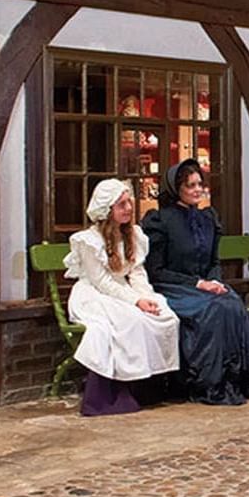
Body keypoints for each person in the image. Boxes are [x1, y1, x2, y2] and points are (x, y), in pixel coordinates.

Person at [143, 159, 249, 406]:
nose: (198, 190)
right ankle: (209, 382)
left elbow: (213, 261)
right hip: (172, 287)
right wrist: (198, 284)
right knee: (213, 308)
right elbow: (156, 271)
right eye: (191, 186)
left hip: (204, 286)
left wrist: (214, 281)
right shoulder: (160, 221)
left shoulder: (208, 218)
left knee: (231, 302)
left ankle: (241, 378)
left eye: (200, 184)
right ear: (177, 189)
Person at [66, 178, 180, 416]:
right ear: (107, 209)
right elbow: (102, 282)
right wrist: (135, 301)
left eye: (129, 202)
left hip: (123, 291)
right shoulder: (89, 241)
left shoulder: (133, 235)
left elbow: (137, 272)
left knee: (165, 315)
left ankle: (150, 386)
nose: (128, 208)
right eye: (121, 204)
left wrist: (146, 297)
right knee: (131, 321)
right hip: (94, 294)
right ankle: (116, 393)